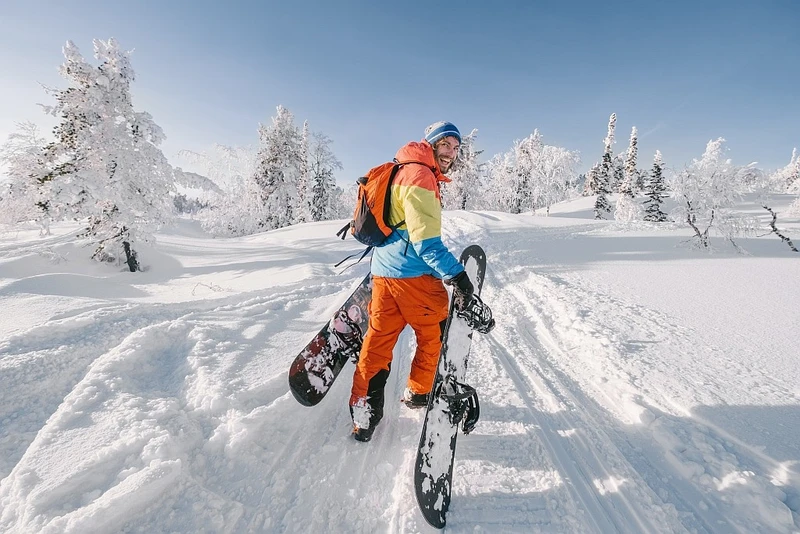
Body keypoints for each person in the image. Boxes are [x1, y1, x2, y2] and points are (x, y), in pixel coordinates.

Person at [349, 121, 486, 442]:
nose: (451, 153)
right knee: (436, 333)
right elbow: (426, 244)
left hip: (383, 274)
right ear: (432, 144)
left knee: (378, 343)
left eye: (456, 147)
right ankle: (419, 392)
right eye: (446, 145)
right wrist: (458, 277)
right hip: (414, 277)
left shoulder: (401, 168)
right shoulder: (421, 176)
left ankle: (363, 415)